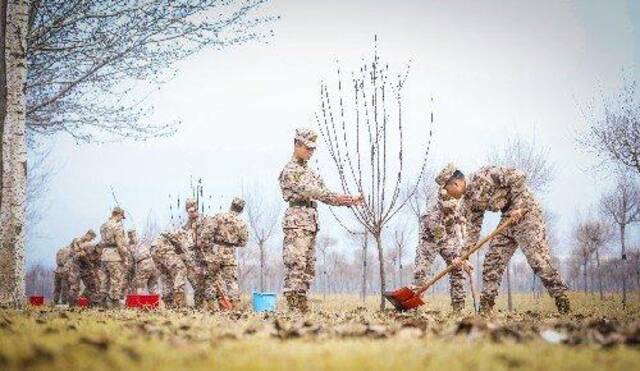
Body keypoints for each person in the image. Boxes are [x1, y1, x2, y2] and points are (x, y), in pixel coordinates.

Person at [445, 165, 571, 314]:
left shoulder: (483, 176)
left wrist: (519, 206)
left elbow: (518, 176)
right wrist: (463, 256)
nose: (447, 193)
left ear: (456, 184)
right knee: (492, 261)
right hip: (508, 218)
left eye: (447, 189)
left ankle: (563, 302)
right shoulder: (468, 201)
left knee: (538, 261)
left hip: (526, 212)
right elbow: (473, 230)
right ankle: (485, 311)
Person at [278, 128, 362, 312]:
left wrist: (349, 200)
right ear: (296, 145)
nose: (310, 152)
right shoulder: (291, 171)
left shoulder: (310, 172)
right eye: (307, 148)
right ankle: (294, 308)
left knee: (308, 266)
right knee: (296, 263)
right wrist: (342, 198)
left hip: (309, 222)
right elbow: (316, 192)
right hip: (297, 221)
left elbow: (325, 194)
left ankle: (301, 305)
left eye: (313, 149)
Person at [414, 164, 467, 312]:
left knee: (458, 270)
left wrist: (460, 219)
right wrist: (453, 254)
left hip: (451, 237)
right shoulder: (432, 211)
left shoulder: (459, 197)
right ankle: (414, 307)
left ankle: (459, 309)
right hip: (431, 239)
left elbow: (458, 218)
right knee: (421, 271)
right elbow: (439, 236)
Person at [200, 197, 249, 309]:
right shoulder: (241, 223)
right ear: (241, 210)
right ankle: (235, 307)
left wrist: (208, 248)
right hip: (230, 253)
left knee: (211, 279)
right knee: (231, 281)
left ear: (231, 205)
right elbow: (243, 242)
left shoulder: (219, 217)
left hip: (215, 251)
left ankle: (211, 306)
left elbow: (206, 234)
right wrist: (232, 243)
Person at [98, 207, 128, 309]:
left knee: (104, 280)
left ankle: (102, 303)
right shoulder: (118, 227)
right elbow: (120, 245)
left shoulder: (103, 226)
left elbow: (102, 241)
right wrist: (125, 257)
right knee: (116, 280)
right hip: (114, 256)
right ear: (118, 215)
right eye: (121, 217)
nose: (121, 219)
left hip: (104, 255)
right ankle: (114, 304)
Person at [151, 228, 189, 308]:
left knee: (166, 276)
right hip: (163, 248)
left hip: (153, 249)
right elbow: (186, 250)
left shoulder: (173, 232)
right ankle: (180, 303)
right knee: (180, 269)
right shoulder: (185, 234)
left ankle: (169, 304)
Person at [183, 198, 206, 308]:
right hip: (192, 257)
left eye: (193, 210)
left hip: (203, 256)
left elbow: (208, 237)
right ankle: (199, 306)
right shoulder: (188, 224)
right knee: (195, 281)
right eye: (188, 211)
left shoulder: (203, 220)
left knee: (204, 282)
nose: (191, 213)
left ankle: (206, 306)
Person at [68, 229, 99, 306]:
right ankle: (72, 305)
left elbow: (86, 256)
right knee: (75, 286)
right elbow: (81, 254)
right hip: (75, 265)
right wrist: (89, 264)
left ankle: (84, 300)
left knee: (91, 284)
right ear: (88, 234)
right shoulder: (77, 240)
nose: (91, 240)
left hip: (83, 266)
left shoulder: (86, 244)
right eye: (91, 238)